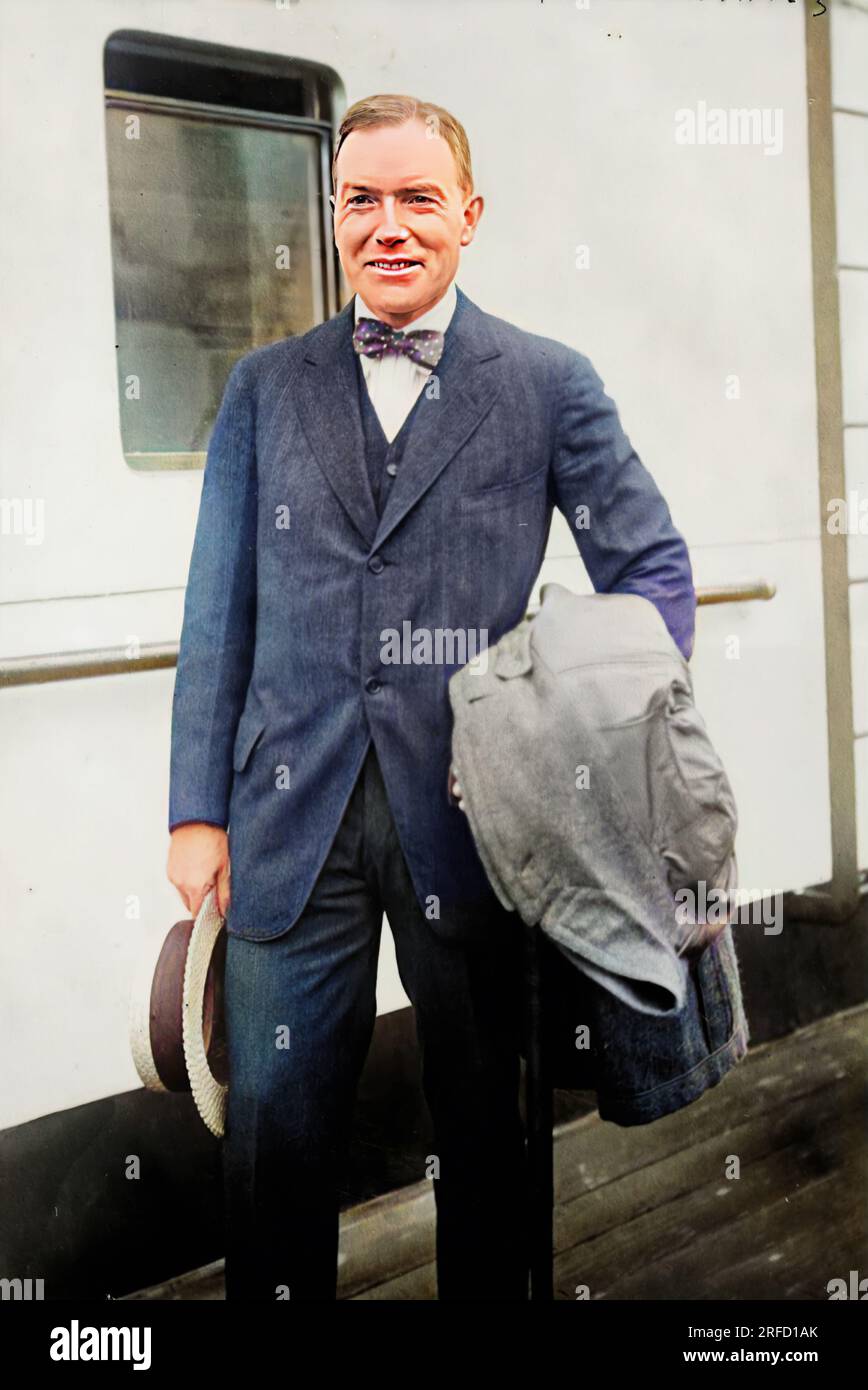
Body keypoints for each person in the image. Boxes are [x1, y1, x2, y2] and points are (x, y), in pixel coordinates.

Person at [167, 93, 696, 1301]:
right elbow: (217, 612)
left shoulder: (549, 384)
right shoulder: (264, 388)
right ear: (334, 215)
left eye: (417, 198)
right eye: (362, 200)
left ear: (469, 213)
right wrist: (196, 809)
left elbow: (652, 574)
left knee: (487, 1130)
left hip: (479, 821)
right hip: (285, 820)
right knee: (273, 1135)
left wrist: (585, 729)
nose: (388, 225)